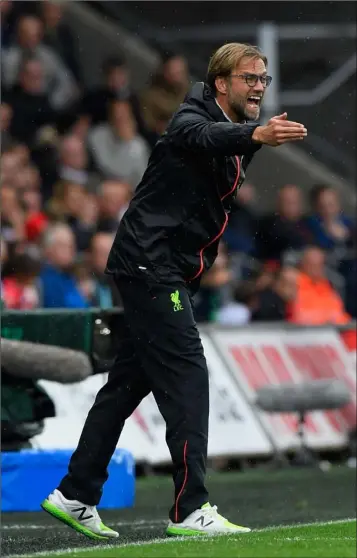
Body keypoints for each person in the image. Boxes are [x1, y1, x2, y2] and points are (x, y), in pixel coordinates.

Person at [42, 42, 307, 539]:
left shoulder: (232, 130)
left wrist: (251, 135)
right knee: (188, 373)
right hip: (150, 266)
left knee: (125, 385)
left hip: (163, 266)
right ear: (221, 84)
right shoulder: (191, 116)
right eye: (250, 78)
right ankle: (191, 507)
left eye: (264, 79)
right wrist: (255, 134)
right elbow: (201, 135)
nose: (259, 88)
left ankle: (76, 492)